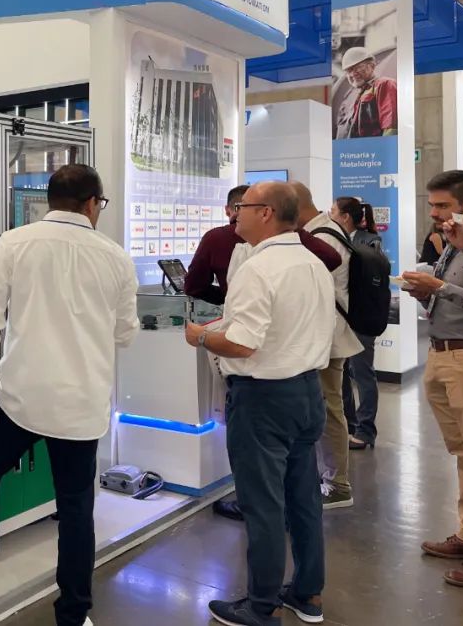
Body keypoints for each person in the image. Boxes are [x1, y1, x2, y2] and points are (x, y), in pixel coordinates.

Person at [0, 164, 139, 626]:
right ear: (92, 203)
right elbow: (125, 334)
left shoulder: (15, 243)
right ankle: (73, 615)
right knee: (76, 507)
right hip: (81, 404)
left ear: (49, 200)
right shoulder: (116, 258)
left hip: (18, 397)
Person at [185, 181, 335, 626]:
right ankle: (307, 593)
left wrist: (201, 337)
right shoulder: (311, 262)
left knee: (263, 504)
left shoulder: (258, 268)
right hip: (306, 392)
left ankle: (260, 605)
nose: (235, 214)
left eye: (243, 207)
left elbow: (242, 344)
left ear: (266, 212)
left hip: (264, 401)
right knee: (302, 499)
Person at [402, 171, 463, 587]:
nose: (434, 213)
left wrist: (439, 287)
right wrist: (428, 292)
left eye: (442, 205)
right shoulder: (453, 243)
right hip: (442, 354)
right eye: (432, 205)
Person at [291, 182, 361, 510]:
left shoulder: (321, 237)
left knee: (329, 410)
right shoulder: (325, 230)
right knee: (328, 408)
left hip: (325, 339)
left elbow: (309, 291)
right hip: (327, 336)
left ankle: (337, 484)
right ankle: (330, 478)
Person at [186, 185, 343, 306]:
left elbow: (194, 286)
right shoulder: (241, 252)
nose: (239, 213)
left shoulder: (218, 239)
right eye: (240, 207)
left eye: (244, 207)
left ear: (265, 212)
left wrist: (228, 297)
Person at [330, 197, 385, 450]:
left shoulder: (370, 242)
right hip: (341, 318)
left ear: (345, 217)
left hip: (361, 319)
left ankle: (366, 431)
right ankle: (349, 425)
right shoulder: (336, 239)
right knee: (341, 374)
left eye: (332, 210)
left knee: (363, 374)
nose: (329, 214)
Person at [338, 47, 397, 138]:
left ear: (372, 66)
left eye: (357, 68)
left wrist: (386, 146)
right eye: (349, 71)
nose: (353, 74)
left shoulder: (384, 84)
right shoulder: (354, 96)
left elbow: (391, 128)